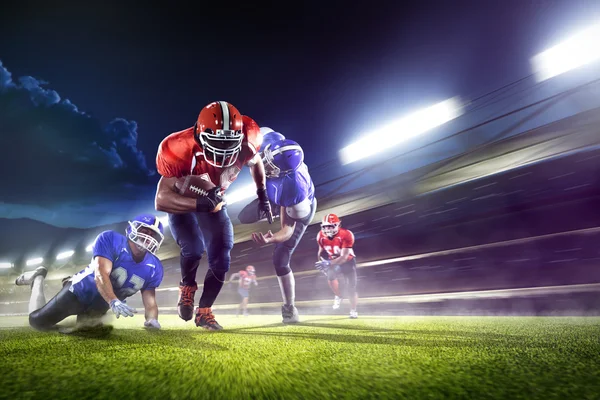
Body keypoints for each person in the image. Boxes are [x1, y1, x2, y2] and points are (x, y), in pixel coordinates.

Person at [155, 101, 272, 330]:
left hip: (214, 200)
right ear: (199, 136)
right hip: (185, 200)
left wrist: (262, 194)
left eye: (230, 144)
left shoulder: (248, 142)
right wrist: (198, 202)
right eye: (218, 143)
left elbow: (256, 163)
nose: (224, 151)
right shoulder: (178, 148)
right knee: (194, 248)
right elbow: (160, 199)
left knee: (222, 254)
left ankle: (205, 311)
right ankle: (187, 288)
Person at [15, 214, 165, 332]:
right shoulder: (112, 239)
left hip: (101, 304)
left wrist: (152, 319)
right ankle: (38, 278)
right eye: (144, 231)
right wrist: (113, 300)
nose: (148, 238)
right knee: (37, 323)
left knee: (87, 330)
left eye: (153, 235)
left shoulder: (154, 267)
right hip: (80, 291)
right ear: (133, 228)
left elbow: (150, 301)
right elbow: (101, 274)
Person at [249, 131, 317, 323]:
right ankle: (270, 205)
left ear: (284, 172)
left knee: (280, 259)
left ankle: (290, 307)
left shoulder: (294, 191)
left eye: (270, 164)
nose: (265, 162)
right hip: (281, 197)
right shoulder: (272, 141)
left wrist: (270, 238)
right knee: (244, 216)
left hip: (298, 210)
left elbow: (287, 230)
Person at [315, 213, 358, 319]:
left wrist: (329, 263)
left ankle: (353, 310)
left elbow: (344, 257)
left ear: (338, 225)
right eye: (325, 226)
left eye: (331, 226)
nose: (328, 229)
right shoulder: (320, 235)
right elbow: (320, 252)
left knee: (351, 288)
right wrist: (321, 263)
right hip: (333, 261)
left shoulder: (346, 234)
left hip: (348, 261)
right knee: (330, 276)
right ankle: (338, 296)